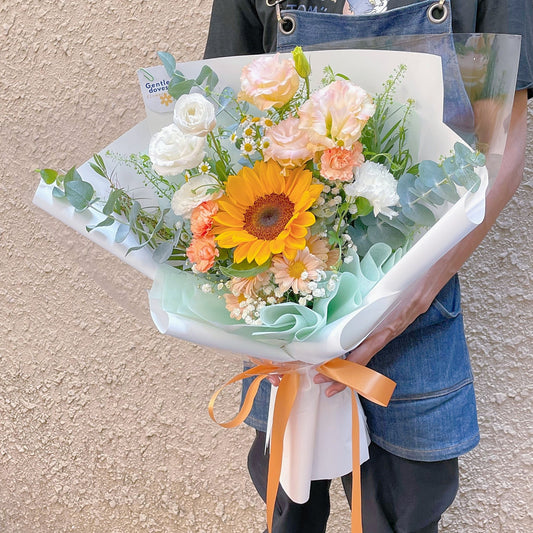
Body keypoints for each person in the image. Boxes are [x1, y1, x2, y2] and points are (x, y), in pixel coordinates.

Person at [204, 1, 533, 532]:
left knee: (409, 500)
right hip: (288, 301)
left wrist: (415, 294)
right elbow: (222, 118)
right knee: (290, 499)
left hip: (420, 305)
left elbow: (504, 141)